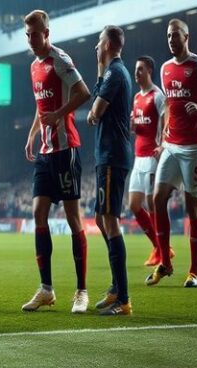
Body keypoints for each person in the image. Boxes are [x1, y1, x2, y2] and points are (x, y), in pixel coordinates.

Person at [146, 18, 197, 288]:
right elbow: (169, 104)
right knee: (157, 199)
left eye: (175, 35)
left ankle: (193, 272)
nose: (171, 40)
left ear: (186, 36)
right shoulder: (166, 69)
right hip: (171, 144)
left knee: (192, 208)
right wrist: (162, 133)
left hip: (194, 147)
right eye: (168, 36)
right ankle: (166, 263)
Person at [21, 10, 91, 314]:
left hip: (66, 150)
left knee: (74, 219)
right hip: (46, 153)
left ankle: (81, 291)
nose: (31, 40)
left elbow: (84, 92)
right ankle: (47, 289)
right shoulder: (33, 66)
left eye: (35, 34)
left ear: (46, 33)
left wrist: (59, 115)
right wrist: (32, 134)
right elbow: (40, 107)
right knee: (38, 213)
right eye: (27, 35)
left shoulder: (59, 59)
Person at [87, 26, 133, 316]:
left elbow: (96, 111)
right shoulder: (112, 71)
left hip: (112, 155)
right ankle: (117, 287)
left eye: (99, 41)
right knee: (101, 219)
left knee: (110, 221)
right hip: (109, 155)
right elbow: (95, 102)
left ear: (110, 44)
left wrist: (94, 112)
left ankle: (124, 298)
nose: (95, 46)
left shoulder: (115, 73)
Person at [128, 56, 169, 266]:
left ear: (149, 71)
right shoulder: (136, 97)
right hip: (138, 157)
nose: (137, 73)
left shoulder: (157, 96)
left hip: (152, 158)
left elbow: (167, 120)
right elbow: (137, 127)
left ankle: (163, 251)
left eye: (140, 69)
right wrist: (133, 126)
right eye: (136, 69)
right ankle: (159, 247)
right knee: (134, 205)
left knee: (153, 206)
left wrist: (162, 145)